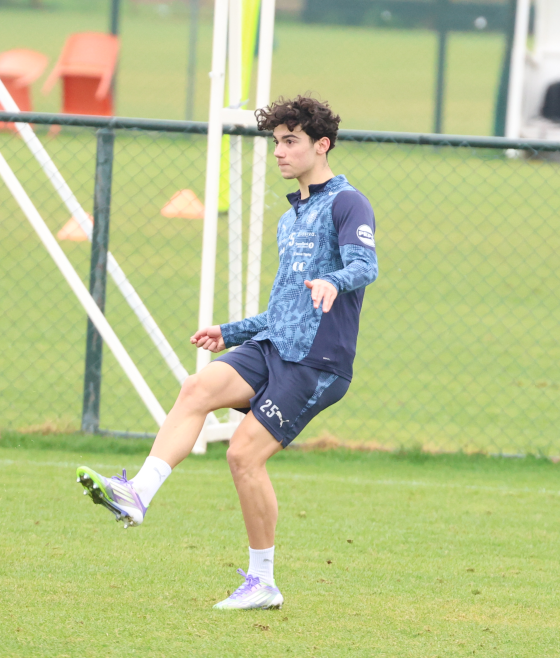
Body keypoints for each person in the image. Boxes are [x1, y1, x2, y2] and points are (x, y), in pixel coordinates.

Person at [76, 95, 378, 610]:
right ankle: (138, 493)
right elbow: (283, 307)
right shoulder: (291, 217)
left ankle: (263, 581)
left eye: (291, 141)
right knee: (197, 388)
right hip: (273, 344)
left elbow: (365, 265)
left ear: (321, 145)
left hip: (317, 361)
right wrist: (230, 332)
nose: (279, 151)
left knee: (242, 455)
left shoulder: (348, 203)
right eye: (276, 142)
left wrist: (333, 279)